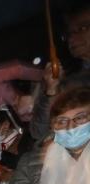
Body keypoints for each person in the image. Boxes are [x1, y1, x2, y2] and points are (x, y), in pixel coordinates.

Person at [30, 6, 90, 141]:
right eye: (68, 33)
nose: (71, 38)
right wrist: (51, 90)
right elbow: (39, 132)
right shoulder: (66, 81)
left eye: (82, 28)